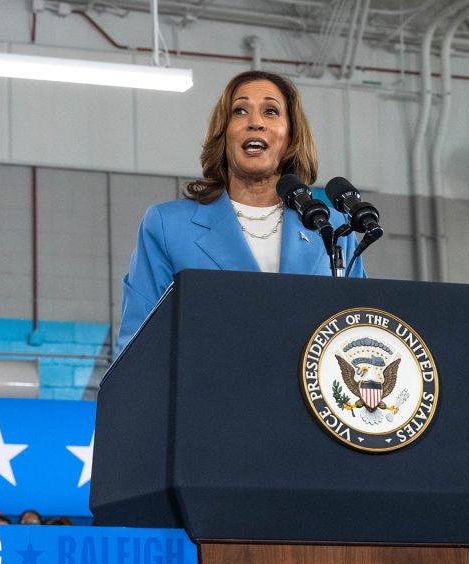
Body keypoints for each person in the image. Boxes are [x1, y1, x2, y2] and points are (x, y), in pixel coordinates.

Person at [117, 70, 365, 355]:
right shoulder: (167, 226)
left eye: (271, 111)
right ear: (224, 133)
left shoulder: (331, 228)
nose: (255, 123)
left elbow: (360, 332)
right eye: (240, 111)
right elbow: (136, 345)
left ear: (291, 136)